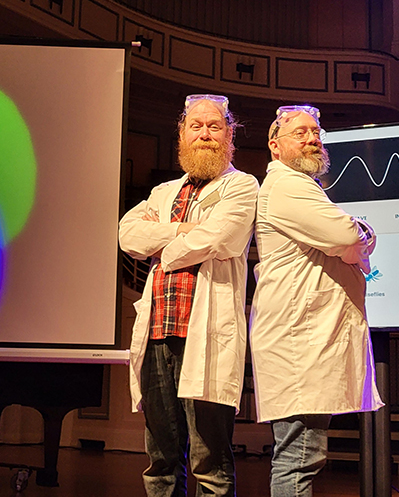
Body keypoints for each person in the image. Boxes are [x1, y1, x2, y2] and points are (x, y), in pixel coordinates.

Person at [118, 94, 259, 497]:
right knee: (161, 461)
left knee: (210, 463)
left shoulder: (241, 186)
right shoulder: (163, 192)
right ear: (181, 134)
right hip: (159, 334)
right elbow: (128, 235)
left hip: (206, 335)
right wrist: (186, 231)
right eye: (195, 126)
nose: (205, 134)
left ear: (229, 134)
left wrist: (163, 244)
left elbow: (222, 237)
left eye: (214, 126)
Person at [248, 104, 384, 497]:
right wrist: (360, 235)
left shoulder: (300, 186)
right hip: (300, 344)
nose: (312, 139)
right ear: (275, 146)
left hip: (305, 342)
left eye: (316, 133)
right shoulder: (287, 184)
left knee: (300, 455)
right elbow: (346, 236)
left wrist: (357, 237)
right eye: (300, 133)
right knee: (299, 457)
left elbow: (349, 238)